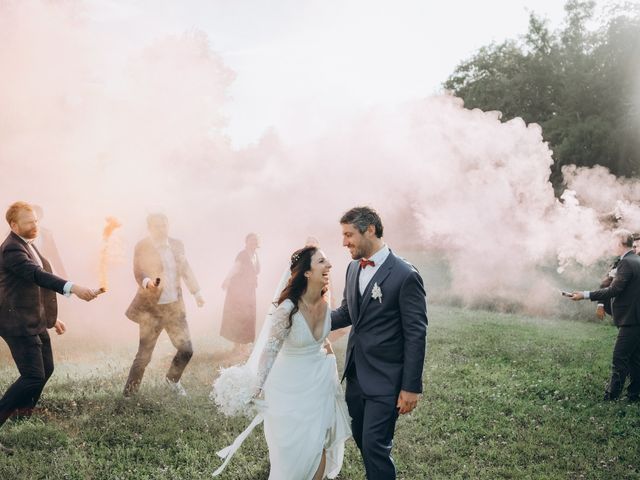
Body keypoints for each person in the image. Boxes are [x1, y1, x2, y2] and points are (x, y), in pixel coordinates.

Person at [212, 246, 351, 479]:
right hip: (290, 387)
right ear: (306, 272)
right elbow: (270, 351)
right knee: (294, 451)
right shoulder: (287, 310)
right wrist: (258, 386)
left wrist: (328, 355)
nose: (329, 266)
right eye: (321, 262)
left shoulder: (325, 303)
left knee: (321, 443)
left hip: (320, 383)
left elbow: (321, 340)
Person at [331, 206, 428, 480]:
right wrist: (304, 318)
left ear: (370, 229)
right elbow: (347, 314)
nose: (343, 242)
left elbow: (416, 334)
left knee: (375, 446)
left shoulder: (405, 275)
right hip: (356, 376)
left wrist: (411, 388)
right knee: (364, 441)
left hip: (386, 380)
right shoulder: (352, 268)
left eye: (349, 234)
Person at [0, 201, 98, 454]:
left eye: (36, 220)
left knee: (47, 369)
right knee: (32, 376)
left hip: (34, 319)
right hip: (16, 324)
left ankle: (22, 413)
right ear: (14, 225)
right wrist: (73, 288)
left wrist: (51, 319)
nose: (36, 225)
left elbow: (33, 289)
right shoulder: (12, 249)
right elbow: (37, 276)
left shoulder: (28, 245)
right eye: (30, 222)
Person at [123, 213, 204, 397]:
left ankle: (171, 381)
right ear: (150, 228)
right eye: (157, 226)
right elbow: (138, 271)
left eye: (164, 225)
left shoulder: (177, 244)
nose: (162, 229)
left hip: (175, 307)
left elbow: (185, 268)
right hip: (152, 310)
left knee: (186, 350)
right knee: (144, 356)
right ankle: (129, 395)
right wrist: (147, 282)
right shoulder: (142, 246)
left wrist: (196, 292)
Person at [569, 229, 640, 402]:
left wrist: (585, 295)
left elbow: (614, 290)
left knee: (619, 358)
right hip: (635, 318)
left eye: (612, 242)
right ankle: (634, 395)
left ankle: (612, 397)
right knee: (634, 359)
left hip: (631, 319)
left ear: (619, 242)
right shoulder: (636, 260)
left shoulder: (626, 263)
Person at [220, 233, 260, 356]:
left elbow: (255, 272)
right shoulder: (242, 255)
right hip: (238, 290)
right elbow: (236, 268)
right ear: (246, 242)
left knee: (249, 317)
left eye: (255, 241)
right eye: (251, 240)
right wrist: (227, 279)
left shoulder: (256, 255)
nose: (253, 243)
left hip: (249, 291)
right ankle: (237, 347)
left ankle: (244, 346)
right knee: (239, 317)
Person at [31, 205, 67, 278]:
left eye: (37, 216)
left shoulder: (47, 235)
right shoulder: (17, 233)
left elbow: (55, 257)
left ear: (41, 217)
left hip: (43, 275)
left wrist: (64, 277)